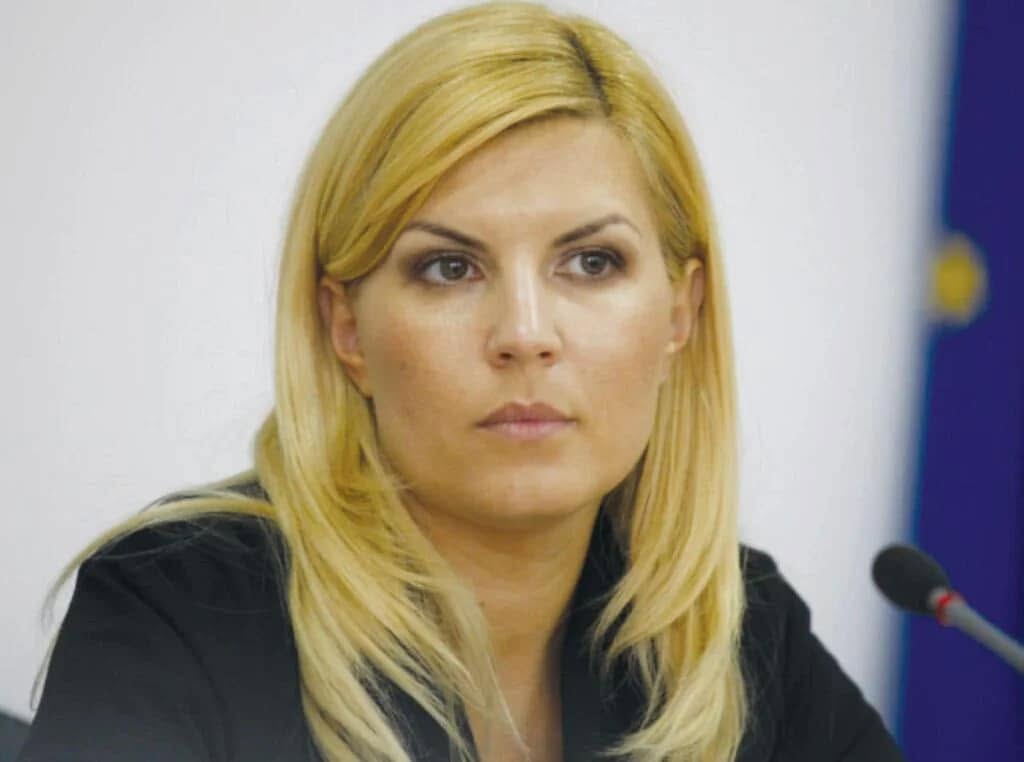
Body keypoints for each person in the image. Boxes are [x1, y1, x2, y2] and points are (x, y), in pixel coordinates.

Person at [18, 2, 905, 761]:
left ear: (682, 313)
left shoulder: (737, 633)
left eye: (591, 263)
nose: (525, 334)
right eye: (449, 268)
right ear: (345, 327)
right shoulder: (178, 610)